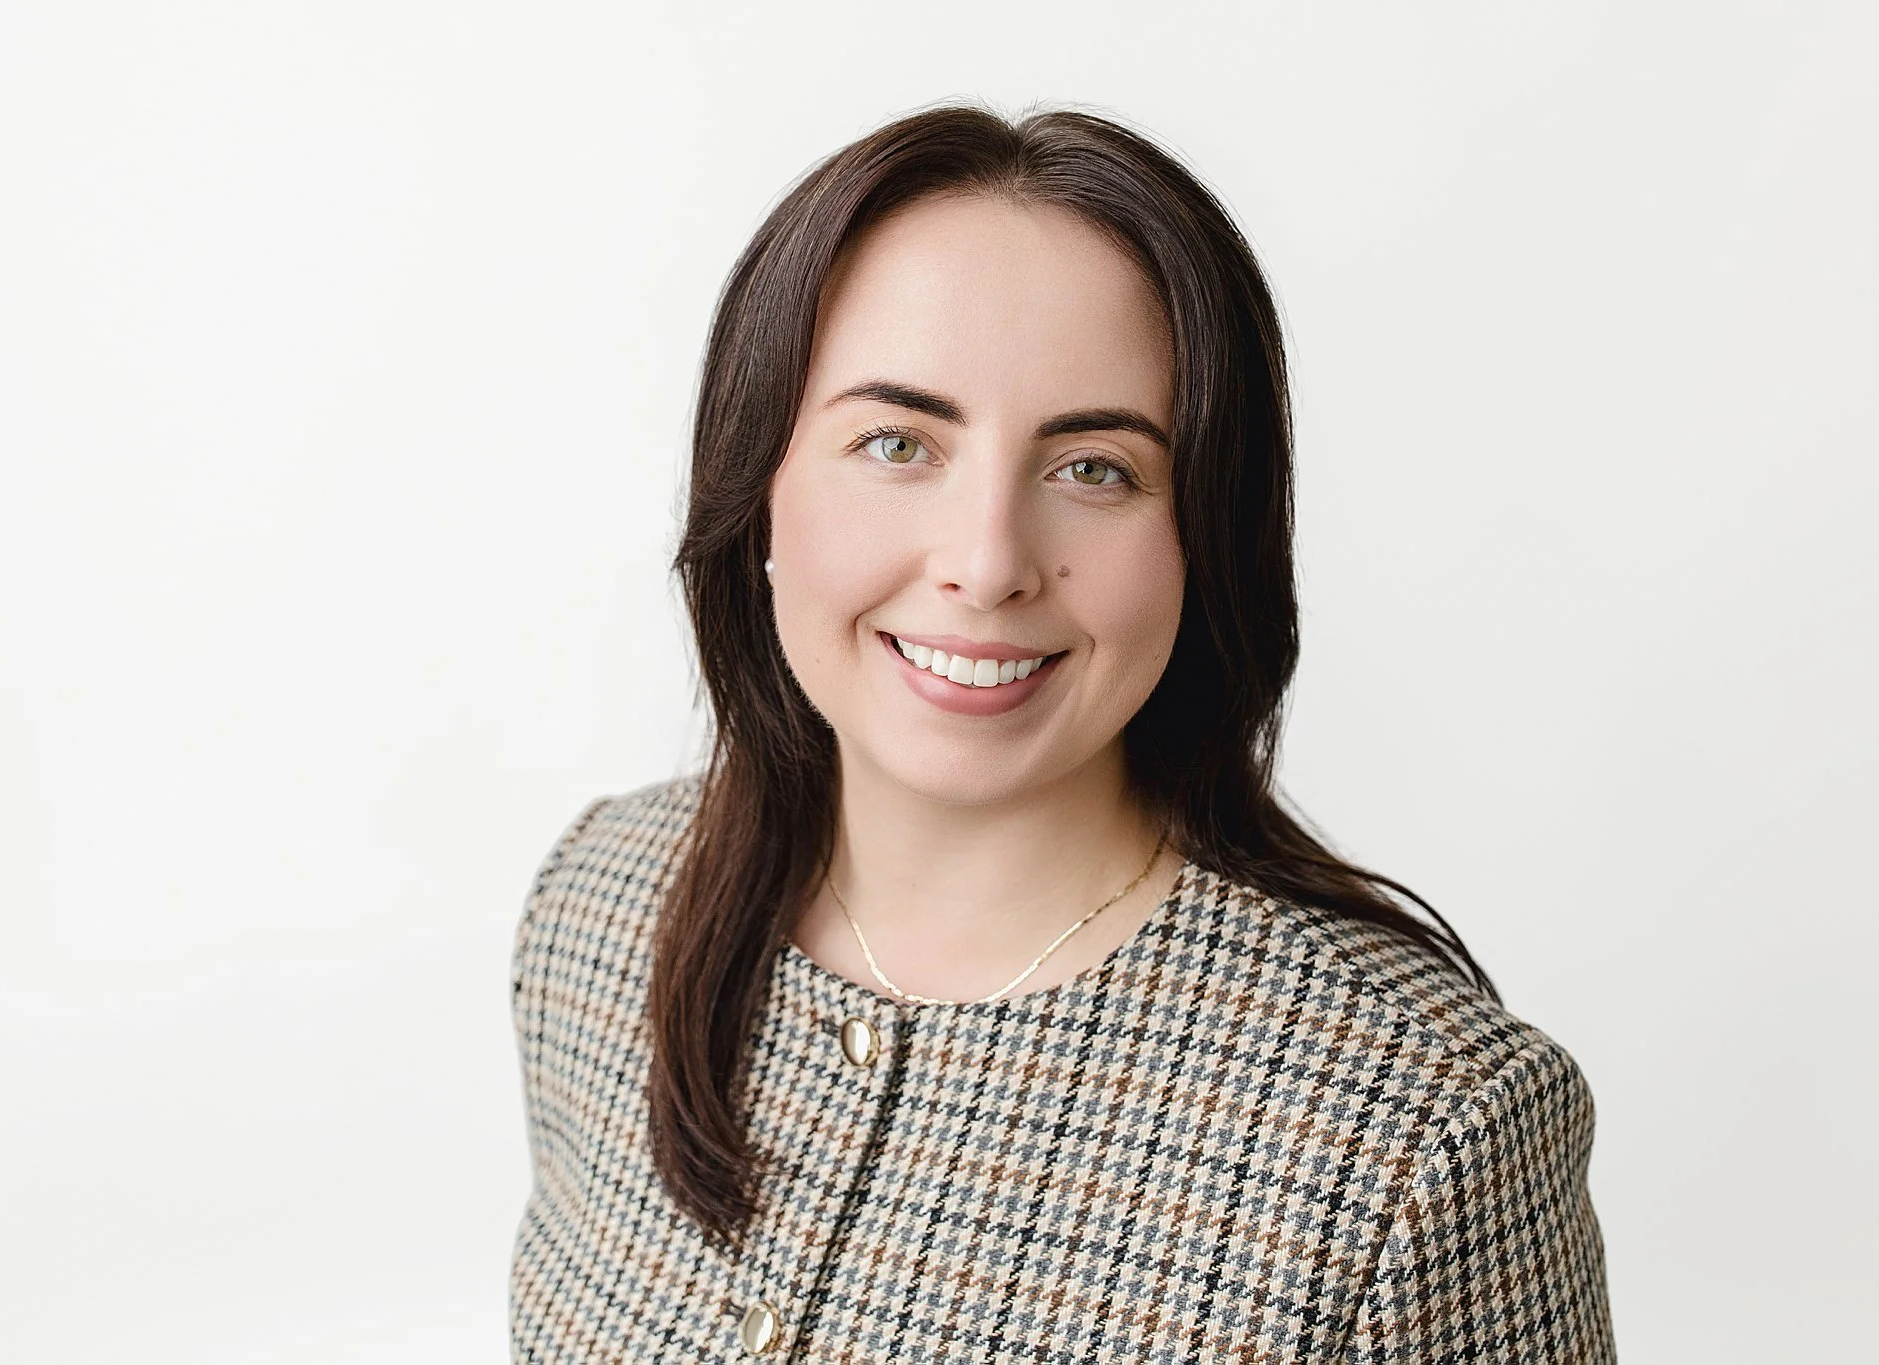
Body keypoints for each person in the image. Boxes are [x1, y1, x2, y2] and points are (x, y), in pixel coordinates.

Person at [507, 100, 1614, 1362]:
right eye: (895, 442)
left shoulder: (1416, 1127)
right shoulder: (600, 912)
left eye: (1094, 468)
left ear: (1204, 536)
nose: (986, 566)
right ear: (756, 487)